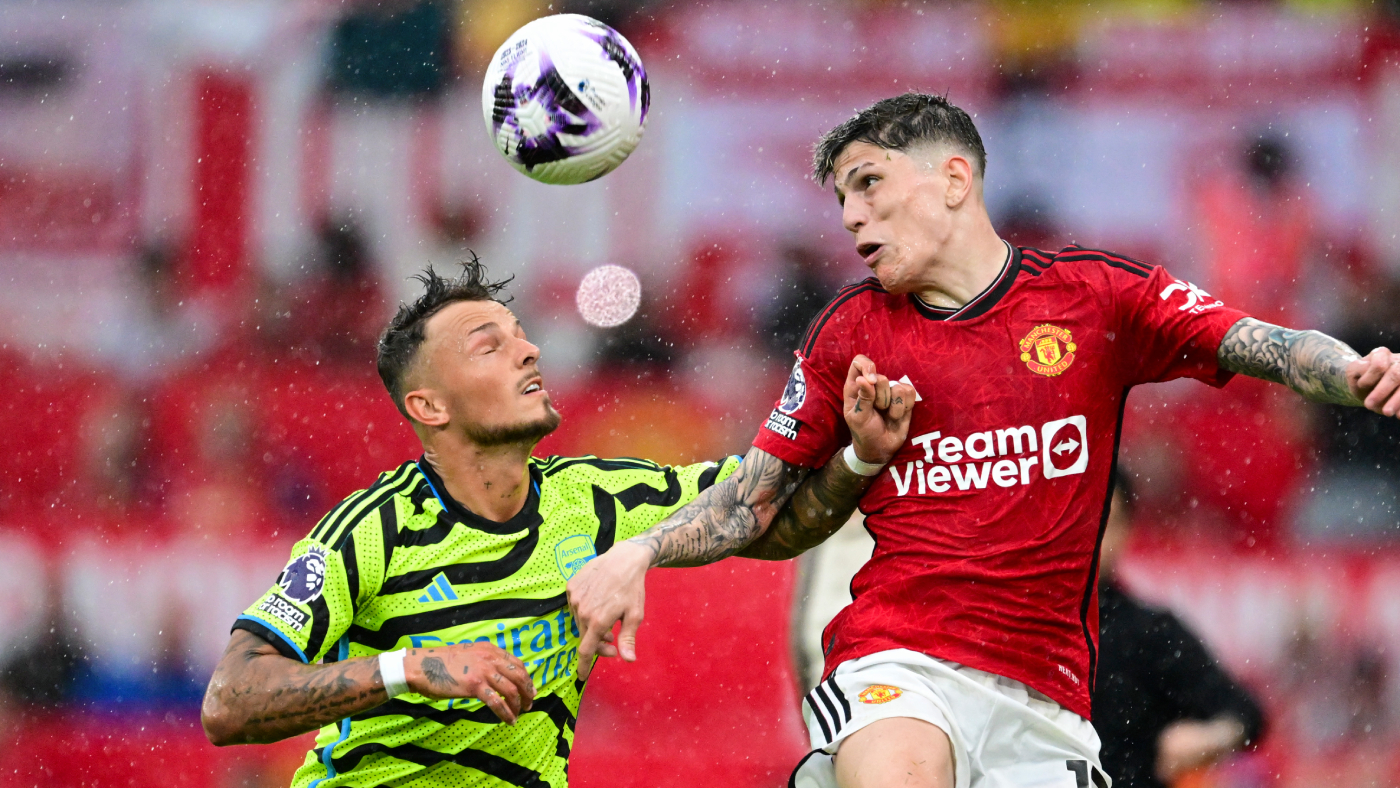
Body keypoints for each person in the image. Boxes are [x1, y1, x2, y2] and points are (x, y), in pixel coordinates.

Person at [566, 92, 1400, 788]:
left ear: (954, 180)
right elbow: (755, 500)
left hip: (1046, 697)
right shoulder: (848, 333)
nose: (852, 216)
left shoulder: (1095, 299)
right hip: (901, 661)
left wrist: (1354, 370)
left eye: (869, 185)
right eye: (843, 200)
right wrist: (641, 551)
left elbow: (1260, 342)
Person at [199, 259, 914, 788]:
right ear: (430, 407)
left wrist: (858, 457)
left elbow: (765, 517)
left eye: (521, 336)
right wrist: (410, 669)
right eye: (490, 346)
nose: (529, 350)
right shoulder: (369, 531)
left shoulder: (595, 498)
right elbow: (229, 702)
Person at [1095, 469, 1265, 788]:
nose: (1092, 535)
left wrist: (1212, 737)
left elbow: (1245, 713)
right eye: (1083, 520)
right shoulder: (1019, 625)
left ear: (1127, 531)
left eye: (1107, 521)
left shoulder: (1149, 633)